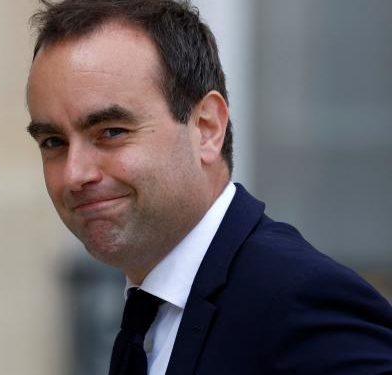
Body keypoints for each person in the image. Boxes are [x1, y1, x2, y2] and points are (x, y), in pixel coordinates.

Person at [25, 0, 392, 374]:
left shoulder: (299, 301)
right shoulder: (149, 316)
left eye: (111, 132)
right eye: (53, 142)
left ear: (207, 128)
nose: (75, 174)